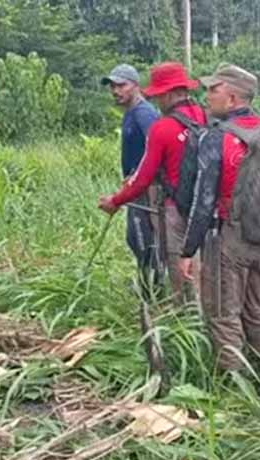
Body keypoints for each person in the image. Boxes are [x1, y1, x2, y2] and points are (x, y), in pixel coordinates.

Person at [177, 64, 260, 398]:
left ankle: (234, 394)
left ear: (232, 96)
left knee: (223, 312)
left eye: (213, 90)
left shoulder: (216, 137)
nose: (206, 97)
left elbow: (202, 200)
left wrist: (187, 250)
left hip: (228, 238)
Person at [98, 62, 207, 306]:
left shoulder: (158, 124)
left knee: (174, 260)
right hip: (203, 203)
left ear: (168, 93)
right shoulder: (203, 116)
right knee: (197, 263)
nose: (158, 102)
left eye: (159, 96)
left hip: (173, 203)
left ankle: (180, 317)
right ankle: (198, 313)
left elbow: (145, 175)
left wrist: (116, 200)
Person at [101, 64, 163, 297]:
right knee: (136, 238)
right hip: (136, 185)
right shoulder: (131, 113)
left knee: (143, 238)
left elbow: (154, 146)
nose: (116, 91)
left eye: (121, 85)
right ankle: (148, 284)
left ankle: (151, 293)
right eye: (113, 86)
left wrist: (138, 176)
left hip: (145, 187)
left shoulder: (143, 113)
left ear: (136, 86)